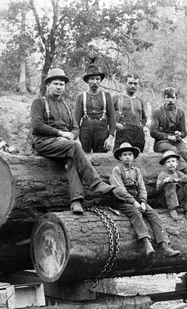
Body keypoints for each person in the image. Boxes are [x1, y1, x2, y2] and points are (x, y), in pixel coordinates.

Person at [31, 68, 115, 214]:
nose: (58, 87)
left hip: (63, 145)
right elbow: (37, 126)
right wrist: (60, 133)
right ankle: (96, 183)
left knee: (72, 159)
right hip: (44, 143)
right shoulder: (39, 103)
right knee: (74, 147)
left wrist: (70, 135)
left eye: (61, 84)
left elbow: (75, 128)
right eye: (55, 83)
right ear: (48, 85)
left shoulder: (65, 106)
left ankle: (76, 201)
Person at [110, 142, 181, 257]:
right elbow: (119, 190)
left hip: (138, 200)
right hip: (122, 201)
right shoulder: (117, 170)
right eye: (125, 155)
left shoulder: (136, 171)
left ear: (133, 156)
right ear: (120, 157)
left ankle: (164, 245)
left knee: (153, 214)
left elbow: (142, 188)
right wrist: (134, 203)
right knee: (136, 213)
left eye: (130, 154)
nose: (128, 157)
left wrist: (142, 201)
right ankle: (146, 243)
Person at [150, 87, 187, 182]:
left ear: (176, 98)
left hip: (176, 140)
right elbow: (153, 132)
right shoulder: (157, 112)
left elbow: (184, 132)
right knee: (173, 150)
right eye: (167, 97)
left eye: (173, 97)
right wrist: (168, 137)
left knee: (184, 151)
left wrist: (179, 134)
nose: (170, 100)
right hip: (162, 141)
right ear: (164, 98)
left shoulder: (180, 113)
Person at [73, 65, 116, 153]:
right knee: (84, 157)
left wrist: (111, 137)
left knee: (101, 158)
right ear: (87, 81)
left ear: (100, 80)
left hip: (102, 131)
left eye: (97, 79)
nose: (95, 82)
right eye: (92, 79)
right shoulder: (81, 97)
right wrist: (76, 139)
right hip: (85, 132)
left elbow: (112, 117)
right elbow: (75, 120)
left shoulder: (106, 96)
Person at [156, 150, 187, 221]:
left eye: (173, 161)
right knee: (170, 183)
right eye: (168, 162)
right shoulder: (163, 174)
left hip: (178, 199)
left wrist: (177, 180)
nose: (171, 164)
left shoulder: (179, 173)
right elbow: (158, 188)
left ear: (177, 164)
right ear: (164, 165)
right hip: (166, 200)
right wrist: (164, 181)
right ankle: (172, 209)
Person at [113, 74, 147, 152]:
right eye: (130, 83)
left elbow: (144, 117)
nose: (133, 86)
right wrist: (115, 124)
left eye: (135, 84)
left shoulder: (140, 100)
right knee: (120, 155)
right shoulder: (116, 98)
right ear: (125, 83)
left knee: (137, 155)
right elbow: (108, 115)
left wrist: (141, 126)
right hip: (123, 133)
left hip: (138, 134)